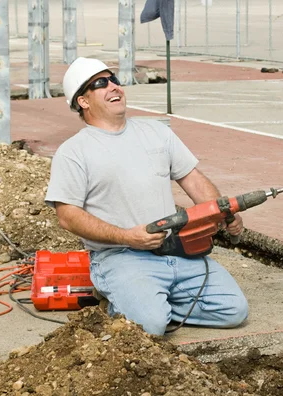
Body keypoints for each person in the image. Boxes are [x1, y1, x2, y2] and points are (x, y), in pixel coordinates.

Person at [45, 57, 249, 336]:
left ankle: (148, 303)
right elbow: (67, 216)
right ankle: (129, 302)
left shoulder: (156, 132)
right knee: (152, 326)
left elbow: (194, 180)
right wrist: (127, 237)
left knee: (233, 311)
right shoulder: (74, 152)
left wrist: (222, 213)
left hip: (177, 251)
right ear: (83, 101)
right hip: (121, 257)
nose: (114, 87)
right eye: (101, 83)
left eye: (114, 79)